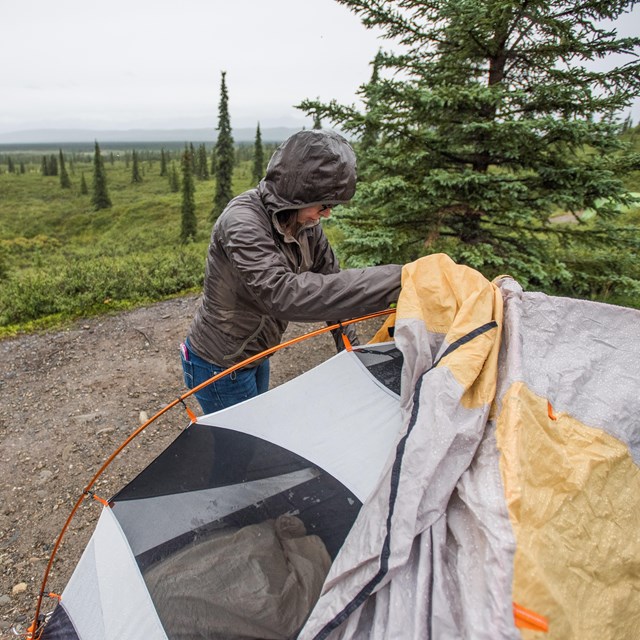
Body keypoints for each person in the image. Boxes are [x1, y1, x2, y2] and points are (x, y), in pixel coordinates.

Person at [181, 129, 402, 415]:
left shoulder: (305, 224)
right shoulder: (242, 222)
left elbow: (332, 283)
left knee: (255, 437)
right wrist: (397, 280)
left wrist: (353, 355)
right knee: (247, 451)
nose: (327, 214)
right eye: (324, 204)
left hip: (256, 354)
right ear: (301, 192)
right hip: (219, 364)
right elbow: (282, 295)